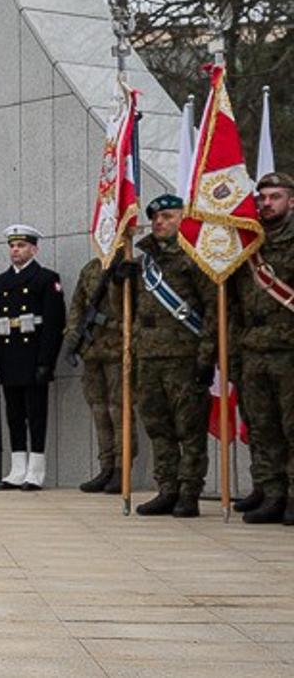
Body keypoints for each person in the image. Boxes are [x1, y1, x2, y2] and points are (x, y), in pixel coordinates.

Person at [129, 195, 218, 518]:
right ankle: (167, 487)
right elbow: (126, 313)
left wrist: (207, 357)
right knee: (158, 427)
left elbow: (213, 311)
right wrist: (118, 284)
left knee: (189, 428)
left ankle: (189, 491)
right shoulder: (143, 263)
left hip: (185, 357)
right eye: (155, 217)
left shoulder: (194, 258)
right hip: (149, 358)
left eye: (167, 216)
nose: (159, 222)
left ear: (183, 218)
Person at [0, 225, 67, 490]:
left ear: (34, 248)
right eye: (12, 246)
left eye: (21, 245)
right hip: (9, 356)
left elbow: (54, 325)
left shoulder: (45, 279)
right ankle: (17, 468)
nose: (15, 250)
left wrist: (46, 362)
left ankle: (36, 471)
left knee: (36, 414)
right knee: (14, 415)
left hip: (33, 356)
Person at [233, 171, 294, 524]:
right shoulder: (251, 244)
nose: (267, 204)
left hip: (288, 350)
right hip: (253, 350)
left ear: (291, 201)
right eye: (263, 198)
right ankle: (271, 494)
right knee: (263, 426)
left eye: (275, 197)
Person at [62, 254, 136, 494]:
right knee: (99, 409)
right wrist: (73, 336)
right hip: (92, 349)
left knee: (119, 410)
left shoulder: (129, 265)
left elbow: (130, 307)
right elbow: (77, 306)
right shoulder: (91, 267)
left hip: (118, 346)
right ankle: (105, 465)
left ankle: (121, 468)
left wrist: (118, 281)